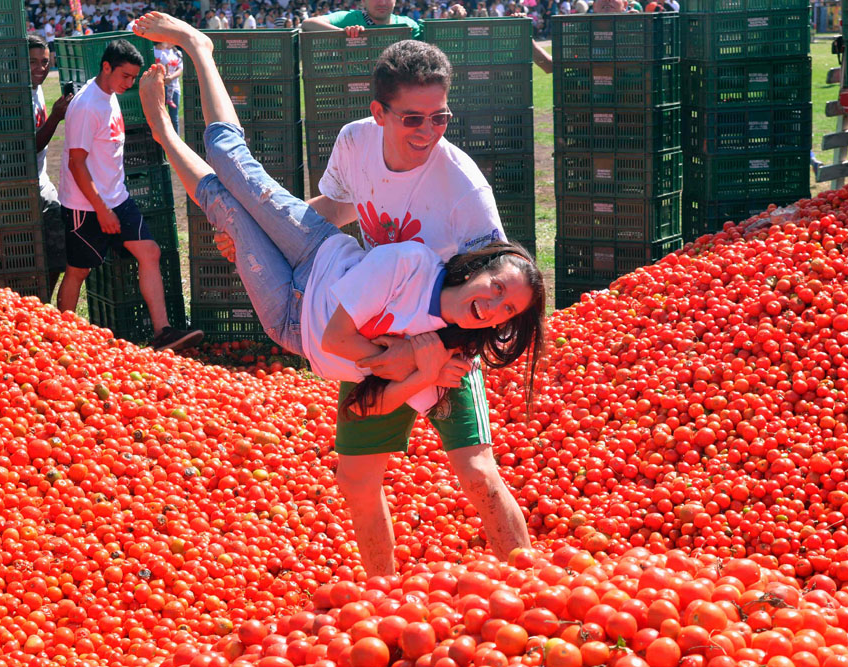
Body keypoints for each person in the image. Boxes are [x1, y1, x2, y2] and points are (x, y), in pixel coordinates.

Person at [133, 13, 545, 576]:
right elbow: (332, 212)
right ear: (378, 113)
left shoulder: (464, 191)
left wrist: (427, 360)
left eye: (441, 117)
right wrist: (263, 243)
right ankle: (383, 594)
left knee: (475, 470)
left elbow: (496, 298)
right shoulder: (355, 143)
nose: (429, 131)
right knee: (356, 478)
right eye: (413, 118)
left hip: (444, 345)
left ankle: (532, 583)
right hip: (351, 302)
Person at [57, 39, 203, 351]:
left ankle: (163, 332)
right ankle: (62, 338)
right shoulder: (86, 106)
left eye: (134, 78)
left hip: (117, 199)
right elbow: (76, 164)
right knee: (78, 270)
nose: (130, 83)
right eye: (126, 76)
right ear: (106, 67)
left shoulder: (110, 94)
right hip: (87, 206)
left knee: (150, 252)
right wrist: (101, 209)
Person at [28, 34, 73, 302]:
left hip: (42, 180)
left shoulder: (38, 88)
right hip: (31, 185)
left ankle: (41, 301)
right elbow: (29, 146)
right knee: (57, 248)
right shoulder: (21, 93)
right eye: (33, 62)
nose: (40, 68)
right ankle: (40, 302)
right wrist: (56, 116)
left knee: (59, 249)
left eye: (44, 62)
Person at [300, 0, 422, 37]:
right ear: (363, 1)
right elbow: (308, 23)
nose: (382, 3)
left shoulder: (408, 25)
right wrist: (344, 33)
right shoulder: (351, 18)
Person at [153, 39, 184, 131]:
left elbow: (180, 69)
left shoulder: (177, 53)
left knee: (174, 118)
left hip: (174, 87)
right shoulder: (158, 51)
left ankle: (176, 139)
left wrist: (170, 77)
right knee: (160, 117)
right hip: (159, 86)